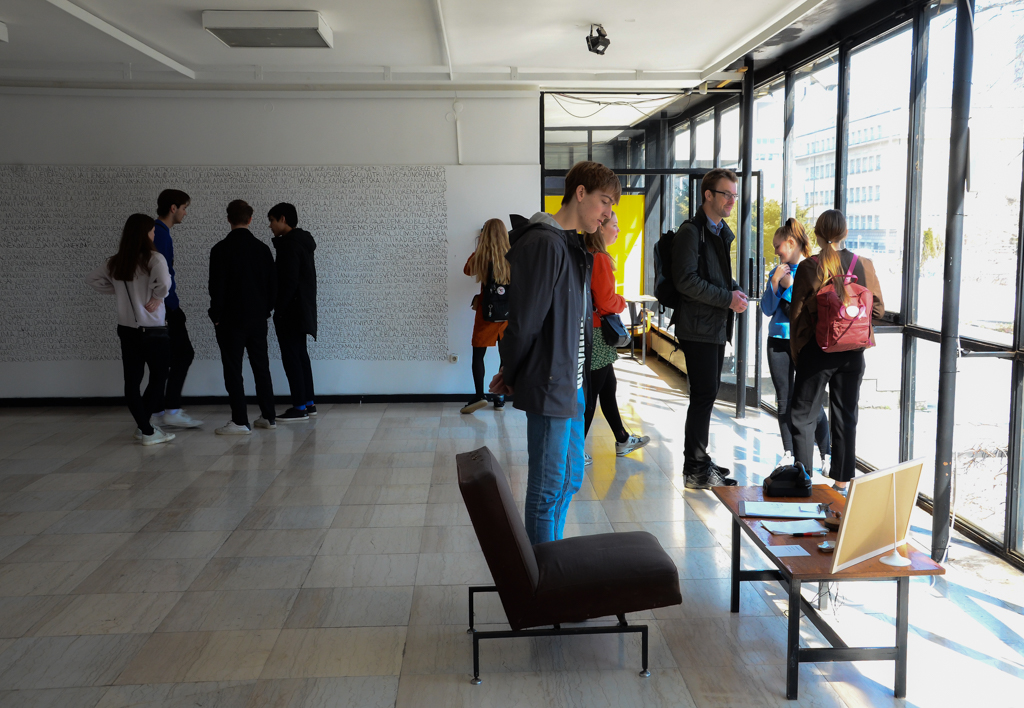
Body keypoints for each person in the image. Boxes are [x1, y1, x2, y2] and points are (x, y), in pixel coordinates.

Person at [490, 160, 618, 545]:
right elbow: (524, 321)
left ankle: (551, 557)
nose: (606, 214)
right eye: (604, 202)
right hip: (552, 385)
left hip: (572, 385)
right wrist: (511, 372)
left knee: (570, 478)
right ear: (580, 193)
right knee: (547, 489)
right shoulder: (545, 243)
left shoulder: (570, 244)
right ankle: (542, 573)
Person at [788, 209, 885, 494]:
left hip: (818, 352)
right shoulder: (864, 264)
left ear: (817, 234)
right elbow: (877, 310)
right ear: (845, 233)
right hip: (853, 353)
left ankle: (804, 480)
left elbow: (797, 317)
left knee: (803, 415)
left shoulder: (809, 267)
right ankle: (842, 482)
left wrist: (799, 354)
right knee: (846, 415)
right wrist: (852, 326)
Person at [671, 168, 748, 489]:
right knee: (703, 396)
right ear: (708, 195)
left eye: (734, 195)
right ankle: (695, 468)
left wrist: (734, 290)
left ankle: (699, 460)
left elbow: (714, 275)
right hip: (697, 327)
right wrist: (727, 298)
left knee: (707, 394)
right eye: (726, 194)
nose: (732, 200)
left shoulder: (717, 232)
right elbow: (686, 281)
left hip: (713, 325)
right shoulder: (692, 232)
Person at [86, 213, 175, 446]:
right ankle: (146, 431)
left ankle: (144, 427)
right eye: (152, 231)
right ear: (146, 233)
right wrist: (157, 297)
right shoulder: (154, 259)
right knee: (159, 376)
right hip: (153, 329)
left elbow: (92, 279)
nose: (154, 234)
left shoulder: (117, 261)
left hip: (127, 329)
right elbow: (165, 283)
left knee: (132, 381)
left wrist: (118, 292)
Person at [761, 218, 831, 473]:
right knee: (784, 400)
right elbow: (767, 309)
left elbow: (805, 309)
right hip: (777, 342)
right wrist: (774, 283)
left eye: (777, 246)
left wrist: (788, 287)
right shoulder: (778, 272)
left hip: (803, 343)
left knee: (810, 400)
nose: (776, 251)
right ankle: (789, 453)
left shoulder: (812, 268)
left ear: (790, 243)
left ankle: (826, 453)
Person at [583, 212, 649, 464]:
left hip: (591, 330)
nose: (618, 230)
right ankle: (574, 451)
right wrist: (621, 301)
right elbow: (606, 301)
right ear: (601, 228)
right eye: (615, 225)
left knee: (608, 386)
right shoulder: (599, 257)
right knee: (591, 395)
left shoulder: (586, 254)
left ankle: (622, 439)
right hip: (599, 333)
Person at [209, 200, 278, 435]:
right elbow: (273, 286)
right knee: (261, 367)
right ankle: (269, 416)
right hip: (257, 318)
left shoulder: (220, 249)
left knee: (233, 369)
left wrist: (216, 315)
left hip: (230, 320)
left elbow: (216, 287)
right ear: (250, 219)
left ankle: (240, 420)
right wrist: (266, 310)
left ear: (228, 219)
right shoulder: (263, 249)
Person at [150, 189, 202, 429]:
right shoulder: (160, 234)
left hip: (163, 306)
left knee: (166, 359)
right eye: (184, 208)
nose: (185, 213)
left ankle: (159, 410)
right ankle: (170, 409)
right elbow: (161, 275)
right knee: (183, 354)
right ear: (173, 208)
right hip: (167, 307)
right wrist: (169, 304)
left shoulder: (158, 232)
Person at [269, 202, 318, 422]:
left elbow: (288, 282)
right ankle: (309, 403)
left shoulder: (289, 245)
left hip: (290, 311)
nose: (270, 226)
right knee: (301, 356)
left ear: (283, 219)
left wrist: (278, 308)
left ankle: (299, 407)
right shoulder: (303, 242)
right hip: (303, 309)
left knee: (292, 358)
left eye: (272, 220)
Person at [461, 218, 510, 414]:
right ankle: (500, 397)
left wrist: (480, 247)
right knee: (505, 356)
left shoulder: (482, 256)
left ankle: (479, 395)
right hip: (507, 315)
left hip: (486, 314)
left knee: (478, 355)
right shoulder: (512, 255)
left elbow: (467, 271)